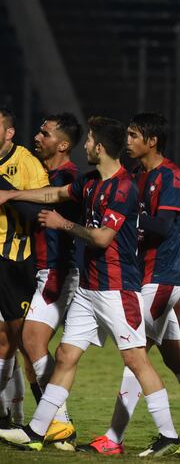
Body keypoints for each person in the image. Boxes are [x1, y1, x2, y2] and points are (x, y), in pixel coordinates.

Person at [0, 116, 180, 456]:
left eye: (89, 142)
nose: (85, 146)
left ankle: (169, 435)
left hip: (117, 289)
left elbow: (101, 237)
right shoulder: (90, 182)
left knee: (136, 361)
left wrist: (62, 222)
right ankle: (38, 430)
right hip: (89, 288)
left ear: (99, 147)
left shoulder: (124, 187)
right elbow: (54, 192)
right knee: (66, 355)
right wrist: (12, 193)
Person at [77, 112, 180, 456]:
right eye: (126, 134)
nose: (126, 141)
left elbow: (162, 226)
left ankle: (115, 438)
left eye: (133, 135)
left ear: (152, 140)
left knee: (135, 356)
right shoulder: (134, 178)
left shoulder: (170, 176)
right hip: (140, 279)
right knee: (177, 361)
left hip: (159, 279)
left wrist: (123, 220)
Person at [19, 113, 81, 449]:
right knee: (30, 348)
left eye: (45, 133)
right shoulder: (48, 174)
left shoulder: (67, 177)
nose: (38, 136)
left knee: (32, 340)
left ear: (63, 144)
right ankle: (56, 425)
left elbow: (40, 210)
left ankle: (61, 423)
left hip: (58, 270)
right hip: (41, 268)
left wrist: (8, 192)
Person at [0, 108, 49, 428]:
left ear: (9, 133)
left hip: (14, 261)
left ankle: (49, 418)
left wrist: (6, 189)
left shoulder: (28, 163)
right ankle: (7, 417)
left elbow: (40, 212)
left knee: (18, 342)